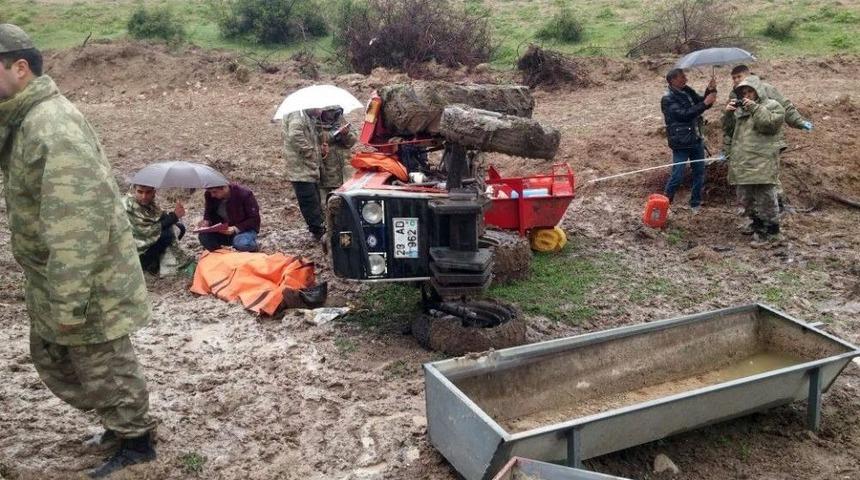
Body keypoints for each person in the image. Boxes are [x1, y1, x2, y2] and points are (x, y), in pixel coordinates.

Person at [0, 24, 157, 477]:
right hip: (54, 274)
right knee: (57, 357)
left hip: (84, 279)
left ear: (20, 69)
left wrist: (69, 299)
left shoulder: (52, 125)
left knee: (103, 359)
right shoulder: (23, 119)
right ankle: (118, 422)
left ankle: (136, 441)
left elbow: (77, 224)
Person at [723, 64, 813, 211]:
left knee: (769, 177)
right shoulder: (735, 95)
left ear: (748, 75)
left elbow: (785, 107)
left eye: (739, 77)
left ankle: (779, 207)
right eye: (733, 78)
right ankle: (755, 214)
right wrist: (727, 148)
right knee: (749, 180)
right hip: (746, 145)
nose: (736, 81)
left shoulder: (766, 89)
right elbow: (731, 127)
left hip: (767, 140)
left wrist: (799, 122)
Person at [724, 77, 786, 242]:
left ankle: (772, 232)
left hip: (762, 162)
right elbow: (729, 132)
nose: (747, 95)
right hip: (743, 162)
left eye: (750, 91)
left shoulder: (773, 106)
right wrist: (728, 114)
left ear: (758, 90)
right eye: (744, 93)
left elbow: (769, 125)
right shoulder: (741, 110)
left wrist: (755, 108)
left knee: (766, 198)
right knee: (746, 198)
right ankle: (756, 224)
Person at [283, 106, 355, 242]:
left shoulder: (339, 120)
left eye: (333, 112)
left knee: (341, 203)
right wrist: (317, 150)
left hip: (342, 172)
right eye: (328, 112)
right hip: (320, 171)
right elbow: (299, 137)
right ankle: (322, 231)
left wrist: (344, 134)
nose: (327, 114)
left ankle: (337, 228)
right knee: (316, 202)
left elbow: (351, 141)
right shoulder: (304, 119)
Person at [661, 68, 717, 214]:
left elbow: (701, 104)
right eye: (682, 77)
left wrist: (710, 90)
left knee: (699, 172)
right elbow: (683, 115)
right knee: (677, 174)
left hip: (696, 138)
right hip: (681, 142)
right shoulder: (667, 99)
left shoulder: (687, 90)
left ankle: (695, 204)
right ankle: (665, 203)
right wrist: (705, 103)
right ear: (673, 80)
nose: (686, 79)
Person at [122, 184, 193, 275]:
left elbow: (160, 217)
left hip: (147, 241)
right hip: (133, 251)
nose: (144, 196)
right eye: (140, 192)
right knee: (167, 234)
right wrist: (174, 216)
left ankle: (155, 260)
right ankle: (146, 264)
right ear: (134, 190)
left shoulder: (151, 204)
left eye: (148, 192)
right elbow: (145, 231)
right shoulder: (128, 204)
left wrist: (176, 213)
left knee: (180, 228)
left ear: (154, 192)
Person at [198, 182, 261, 252]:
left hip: (243, 230)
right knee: (204, 236)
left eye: (214, 192)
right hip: (222, 230)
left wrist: (235, 229)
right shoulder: (209, 195)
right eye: (210, 192)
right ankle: (220, 254)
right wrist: (206, 222)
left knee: (241, 244)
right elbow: (208, 212)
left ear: (225, 188)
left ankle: (253, 247)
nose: (212, 195)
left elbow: (254, 219)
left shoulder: (244, 194)